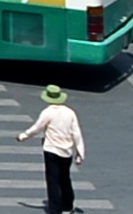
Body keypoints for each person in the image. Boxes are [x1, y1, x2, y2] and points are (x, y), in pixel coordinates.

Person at [17, 84, 85, 214]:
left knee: (53, 180)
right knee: (65, 178)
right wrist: (80, 152)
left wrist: (23, 136)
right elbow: (76, 132)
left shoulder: (47, 112)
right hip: (67, 152)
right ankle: (68, 206)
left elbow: (37, 128)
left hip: (51, 150)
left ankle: (55, 209)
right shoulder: (70, 112)